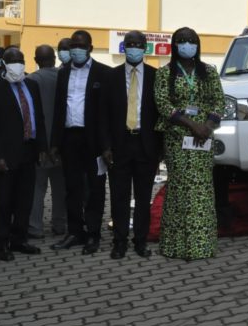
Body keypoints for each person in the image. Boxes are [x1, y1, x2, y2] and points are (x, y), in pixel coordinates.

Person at [153, 27, 225, 260]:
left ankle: (202, 245)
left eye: (191, 40)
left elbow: (219, 101)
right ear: (174, 45)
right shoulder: (165, 73)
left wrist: (206, 126)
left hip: (204, 138)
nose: (187, 44)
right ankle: (176, 245)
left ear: (198, 44)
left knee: (202, 188)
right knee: (180, 188)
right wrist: (192, 125)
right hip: (178, 139)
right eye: (182, 41)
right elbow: (162, 104)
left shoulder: (209, 72)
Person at [101, 31, 162, 259]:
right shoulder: (111, 77)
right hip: (119, 144)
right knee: (119, 196)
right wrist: (105, 146)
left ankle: (140, 241)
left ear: (145, 48)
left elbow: (160, 116)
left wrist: (160, 151)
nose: (134, 48)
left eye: (138, 44)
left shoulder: (157, 77)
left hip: (146, 145)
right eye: (130, 44)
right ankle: (119, 241)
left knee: (144, 197)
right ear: (123, 47)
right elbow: (103, 115)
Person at [50, 30, 111, 255]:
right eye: (73, 45)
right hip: (69, 139)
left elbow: (107, 113)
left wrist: (107, 146)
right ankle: (75, 231)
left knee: (95, 188)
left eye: (81, 45)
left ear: (90, 48)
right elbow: (58, 109)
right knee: (72, 188)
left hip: (93, 141)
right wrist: (55, 142)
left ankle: (93, 233)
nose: (76, 49)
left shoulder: (103, 73)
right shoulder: (63, 73)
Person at [0, 47, 48, 261]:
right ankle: (1, 242)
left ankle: (19, 240)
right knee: (3, 201)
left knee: (24, 200)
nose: (17, 64)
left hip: (28, 152)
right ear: (3, 63)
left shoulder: (32, 85)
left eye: (20, 60)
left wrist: (41, 149)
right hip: (5, 156)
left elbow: (39, 118)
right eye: (12, 60)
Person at [27, 45, 66, 239]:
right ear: (55, 58)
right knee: (60, 189)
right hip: (61, 144)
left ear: (35, 60)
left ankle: (35, 227)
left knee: (37, 189)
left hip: (39, 146)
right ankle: (60, 225)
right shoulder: (64, 77)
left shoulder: (30, 80)